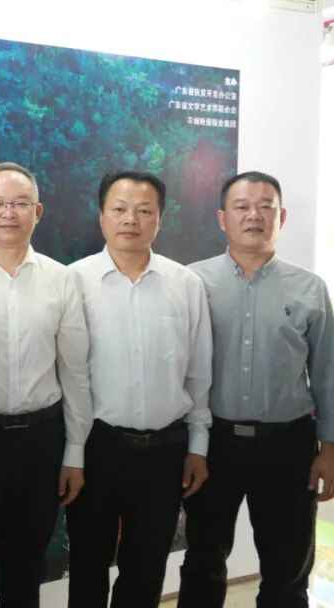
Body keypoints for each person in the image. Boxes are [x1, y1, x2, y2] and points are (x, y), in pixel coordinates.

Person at [178, 171, 334, 608]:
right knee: (204, 558)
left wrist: (329, 448)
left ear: (281, 218)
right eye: (242, 206)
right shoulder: (192, 282)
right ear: (222, 218)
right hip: (212, 443)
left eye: (266, 207)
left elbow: (327, 373)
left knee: (288, 567)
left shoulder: (310, 288)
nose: (254, 215)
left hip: (288, 445)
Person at [0, 162, 91, 607]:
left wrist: (74, 452)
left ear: (37, 212)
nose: (9, 213)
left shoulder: (61, 279)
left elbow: (75, 371)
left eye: (21, 203)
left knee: (26, 565)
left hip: (41, 441)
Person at [66, 170, 212, 608]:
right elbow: (69, 374)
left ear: (159, 219)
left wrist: (198, 446)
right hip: (98, 446)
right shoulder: (73, 281)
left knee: (146, 568)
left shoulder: (185, 284)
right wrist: (73, 454)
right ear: (102, 217)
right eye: (120, 209)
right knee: (88, 564)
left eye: (144, 211)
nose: (131, 219)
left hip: (165, 451)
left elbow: (198, 372)